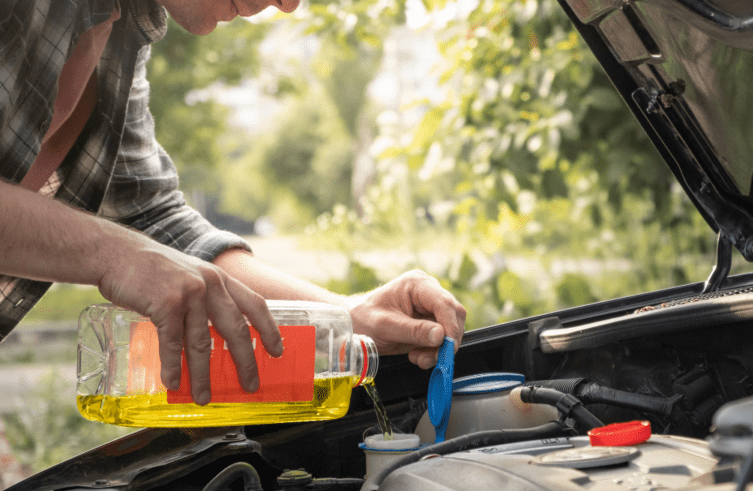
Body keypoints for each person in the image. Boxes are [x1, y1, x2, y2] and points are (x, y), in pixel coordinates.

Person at [0, 0, 467, 407]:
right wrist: (113, 254)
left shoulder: (124, 25)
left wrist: (347, 317)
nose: (289, 4)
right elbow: (134, 248)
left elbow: (151, 218)